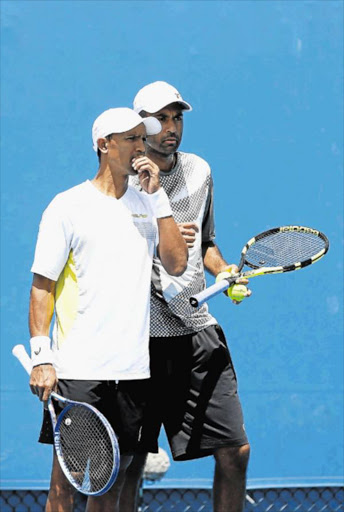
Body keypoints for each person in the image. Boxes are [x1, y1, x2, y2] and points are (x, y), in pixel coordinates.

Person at [28, 107, 188, 512]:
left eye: (142, 137)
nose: (142, 146)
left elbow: (177, 264)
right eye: (132, 138)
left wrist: (159, 199)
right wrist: (42, 356)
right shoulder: (66, 207)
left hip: (133, 372)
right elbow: (42, 287)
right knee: (65, 489)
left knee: (112, 489)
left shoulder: (149, 202)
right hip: (80, 372)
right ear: (104, 145)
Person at [122, 82, 251, 512]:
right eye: (161, 119)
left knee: (235, 452)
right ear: (140, 124)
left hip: (196, 334)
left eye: (178, 118)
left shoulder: (199, 171)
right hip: (139, 339)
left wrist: (225, 271)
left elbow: (208, 244)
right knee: (129, 463)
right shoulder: (120, 182)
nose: (171, 127)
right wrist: (165, 231)